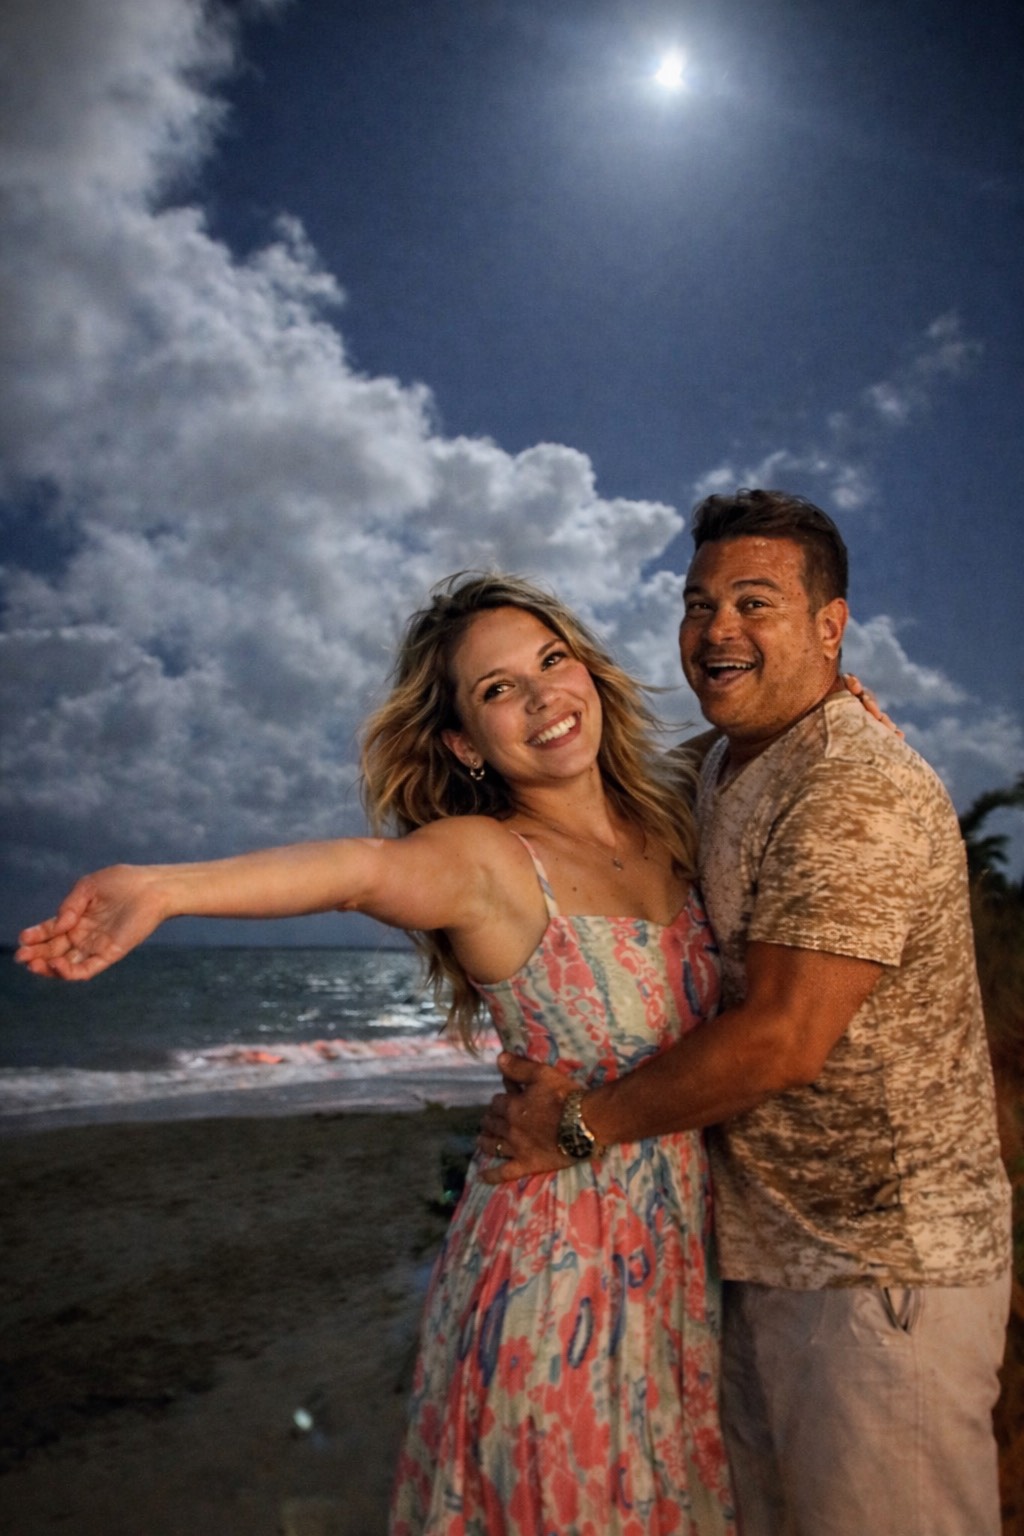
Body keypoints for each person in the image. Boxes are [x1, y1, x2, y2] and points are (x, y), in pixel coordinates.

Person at [16, 572, 737, 1536]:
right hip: (556, 1266)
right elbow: (362, 873)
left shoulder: (680, 814)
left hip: (681, 1267)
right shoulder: (483, 857)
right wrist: (165, 884)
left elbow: (767, 756)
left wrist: (836, 716)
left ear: (590, 672)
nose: (540, 700)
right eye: (495, 691)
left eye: (551, 663)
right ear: (461, 743)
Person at [479, 491, 1013, 1536]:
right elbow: (582, 810)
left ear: (829, 625)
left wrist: (577, 1127)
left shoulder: (853, 790)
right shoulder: (719, 766)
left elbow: (781, 1038)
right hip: (765, 1256)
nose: (717, 630)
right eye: (698, 603)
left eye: (754, 603)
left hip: (882, 1277)